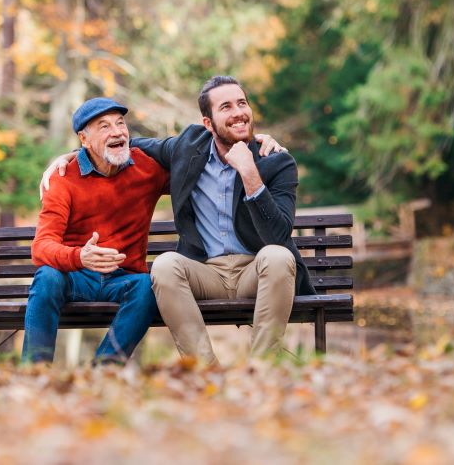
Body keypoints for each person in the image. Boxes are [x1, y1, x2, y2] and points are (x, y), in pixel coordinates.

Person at [43, 76, 313, 365]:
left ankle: (262, 369)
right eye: (226, 107)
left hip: (257, 270)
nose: (238, 112)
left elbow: (279, 234)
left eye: (242, 103)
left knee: (277, 255)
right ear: (208, 124)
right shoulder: (188, 147)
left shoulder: (275, 161)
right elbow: (122, 144)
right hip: (206, 273)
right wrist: (73, 154)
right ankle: (205, 371)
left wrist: (249, 173)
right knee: (165, 264)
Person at [22, 97, 169, 364]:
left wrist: (250, 142)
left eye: (120, 123)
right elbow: (41, 247)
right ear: (84, 139)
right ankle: (34, 371)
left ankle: (104, 370)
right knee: (47, 277)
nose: (117, 131)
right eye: (104, 126)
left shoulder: (148, 168)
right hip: (76, 277)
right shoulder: (63, 178)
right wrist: (80, 257)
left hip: (123, 279)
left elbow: (197, 164)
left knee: (148, 286)